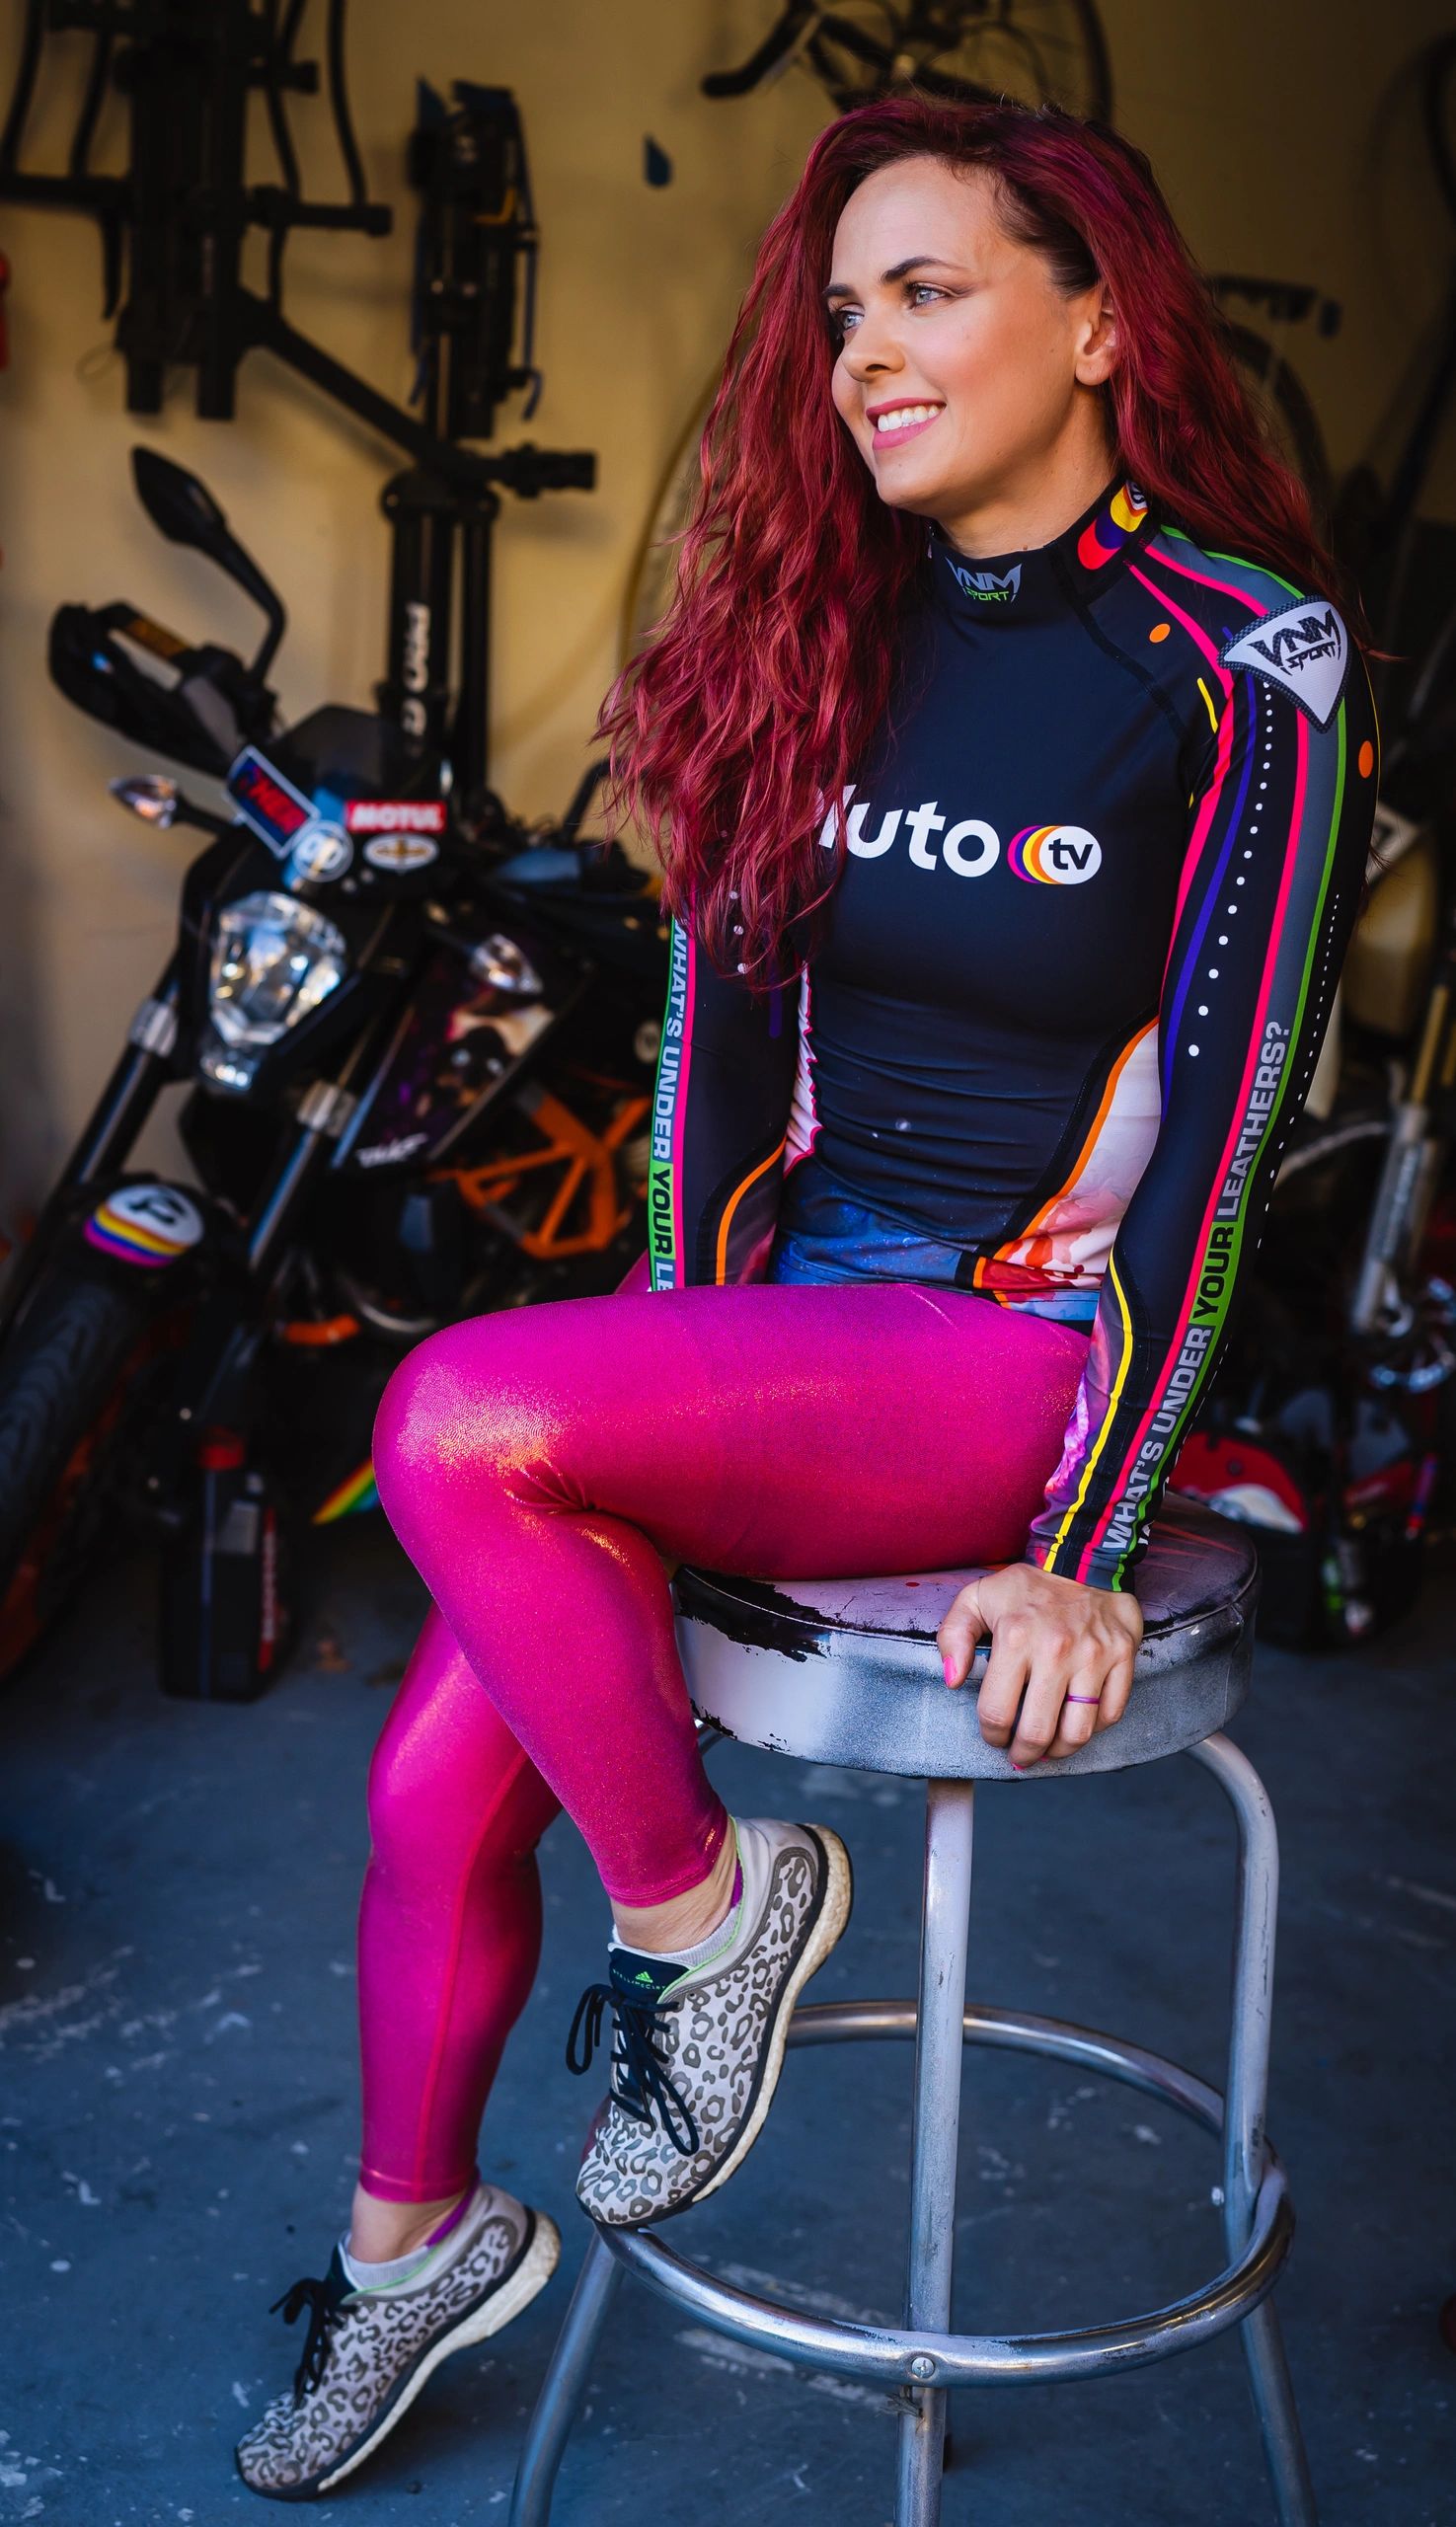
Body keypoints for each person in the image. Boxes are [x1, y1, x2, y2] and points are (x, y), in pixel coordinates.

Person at [236, 95, 1377, 2499]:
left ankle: (711, 1905)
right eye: (844, 307)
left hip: (1006, 1352)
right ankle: (411, 2240)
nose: (866, 349)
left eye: (929, 290)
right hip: (802, 1338)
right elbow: (715, 1066)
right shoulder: (810, 627)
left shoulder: (1241, 662)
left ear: (1098, 318)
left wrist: (1092, 1518)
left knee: (446, 1421)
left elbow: (1235, 1111)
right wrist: (675, 1397)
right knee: (432, 1773)